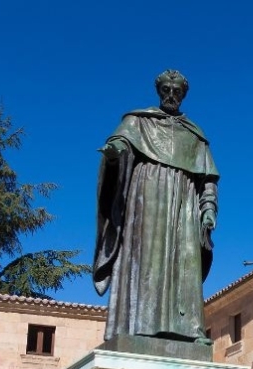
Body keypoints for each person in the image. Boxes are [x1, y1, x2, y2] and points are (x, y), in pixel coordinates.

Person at [93, 69, 219, 344]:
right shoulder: (137, 122)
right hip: (147, 200)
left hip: (185, 207)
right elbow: (120, 145)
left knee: (186, 263)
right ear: (159, 91)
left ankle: (190, 329)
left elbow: (208, 179)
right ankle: (137, 325)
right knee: (146, 260)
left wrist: (208, 209)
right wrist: (116, 153)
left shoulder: (195, 135)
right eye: (166, 90)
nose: (171, 95)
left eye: (177, 92)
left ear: (183, 95)